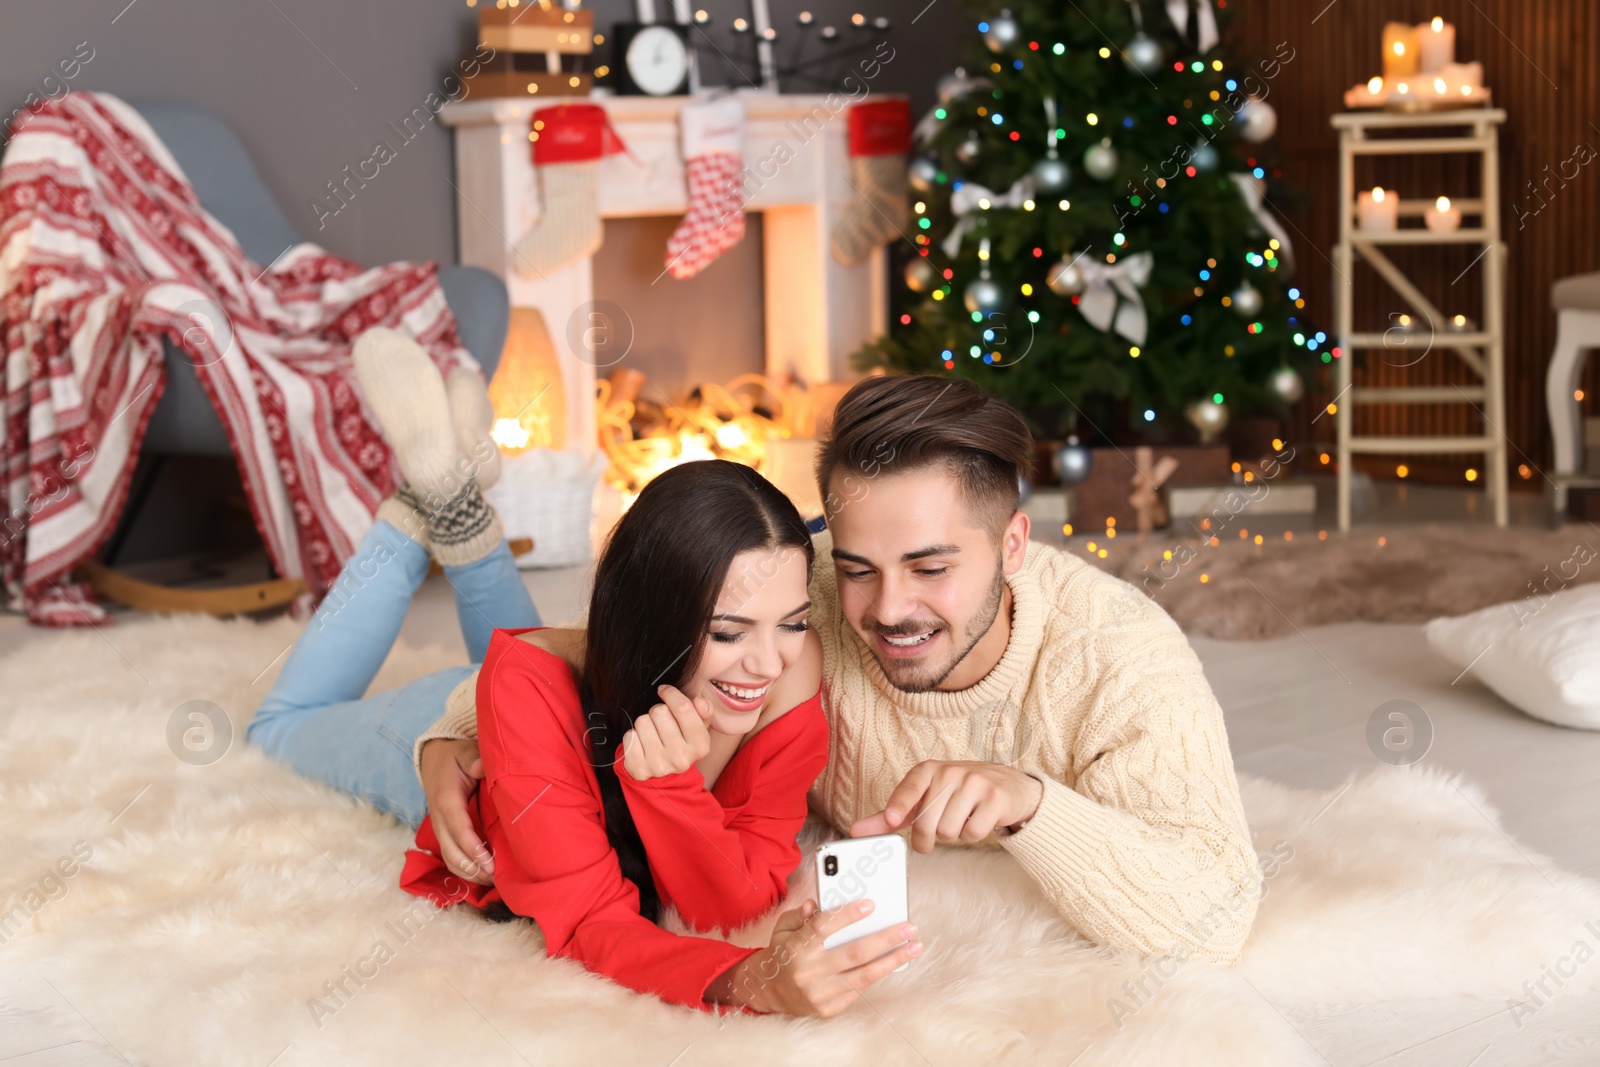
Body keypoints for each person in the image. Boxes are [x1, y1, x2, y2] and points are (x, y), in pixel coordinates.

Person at [420, 374, 1262, 997]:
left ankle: (454, 515)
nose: (890, 609)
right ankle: (434, 513)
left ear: (1012, 544)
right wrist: (452, 733)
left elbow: (1213, 916)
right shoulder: (801, 595)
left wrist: (1031, 801)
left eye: (932, 566)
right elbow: (603, 640)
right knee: (305, 729)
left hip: (617, 767)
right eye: (859, 566)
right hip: (548, 767)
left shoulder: (1119, 657)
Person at [249, 330, 915, 1013]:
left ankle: (456, 500)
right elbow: (591, 925)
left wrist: (668, 788)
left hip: (565, 700)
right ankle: (413, 510)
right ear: (654, 623)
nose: (768, 661)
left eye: (793, 620)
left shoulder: (790, 673)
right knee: (276, 727)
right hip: (469, 744)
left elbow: (732, 900)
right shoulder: (534, 690)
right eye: (727, 630)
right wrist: (751, 981)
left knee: (526, 674)